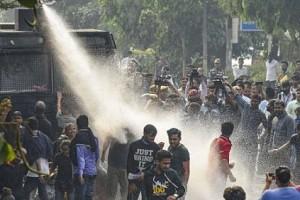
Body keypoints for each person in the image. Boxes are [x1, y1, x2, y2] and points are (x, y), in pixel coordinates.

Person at [233, 90, 267, 182]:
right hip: (240, 139)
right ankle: (239, 179)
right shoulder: (245, 106)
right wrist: (226, 85)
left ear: (259, 102)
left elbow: (267, 127)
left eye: (256, 101)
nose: (253, 103)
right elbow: (236, 95)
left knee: (251, 163)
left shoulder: (261, 114)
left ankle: (249, 182)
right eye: (252, 101)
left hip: (252, 141)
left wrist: (262, 136)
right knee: (238, 159)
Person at [127, 124, 161, 200]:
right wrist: (131, 182)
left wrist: (146, 173)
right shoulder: (134, 145)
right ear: (144, 134)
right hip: (134, 180)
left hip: (149, 181)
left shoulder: (156, 148)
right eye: (151, 136)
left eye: (154, 136)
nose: (153, 138)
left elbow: (157, 166)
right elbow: (129, 164)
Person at [22, 117, 53, 200]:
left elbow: (36, 157)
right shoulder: (44, 136)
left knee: (26, 190)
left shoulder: (30, 138)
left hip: (35, 169)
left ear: (28, 126)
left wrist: (39, 174)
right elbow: (50, 152)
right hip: (44, 167)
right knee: (42, 191)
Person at [70, 115, 99, 200]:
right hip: (92, 172)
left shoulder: (78, 139)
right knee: (88, 196)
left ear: (78, 125)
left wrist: (80, 173)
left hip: (81, 174)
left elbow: (80, 158)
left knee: (79, 196)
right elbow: (97, 156)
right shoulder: (94, 139)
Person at [101, 128, 135, 200]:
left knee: (124, 188)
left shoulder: (131, 131)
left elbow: (134, 147)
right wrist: (103, 154)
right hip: (114, 165)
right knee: (113, 188)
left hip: (124, 166)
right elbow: (107, 141)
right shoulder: (114, 128)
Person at [207, 122, 236, 195]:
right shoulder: (225, 143)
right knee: (218, 195)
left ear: (221, 130)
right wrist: (230, 175)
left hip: (211, 172)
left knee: (212, 194)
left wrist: (228, 165)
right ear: (232, 132)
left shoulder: (215, 140)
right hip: (218, 175)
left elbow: (216, 159)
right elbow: (223, 160)